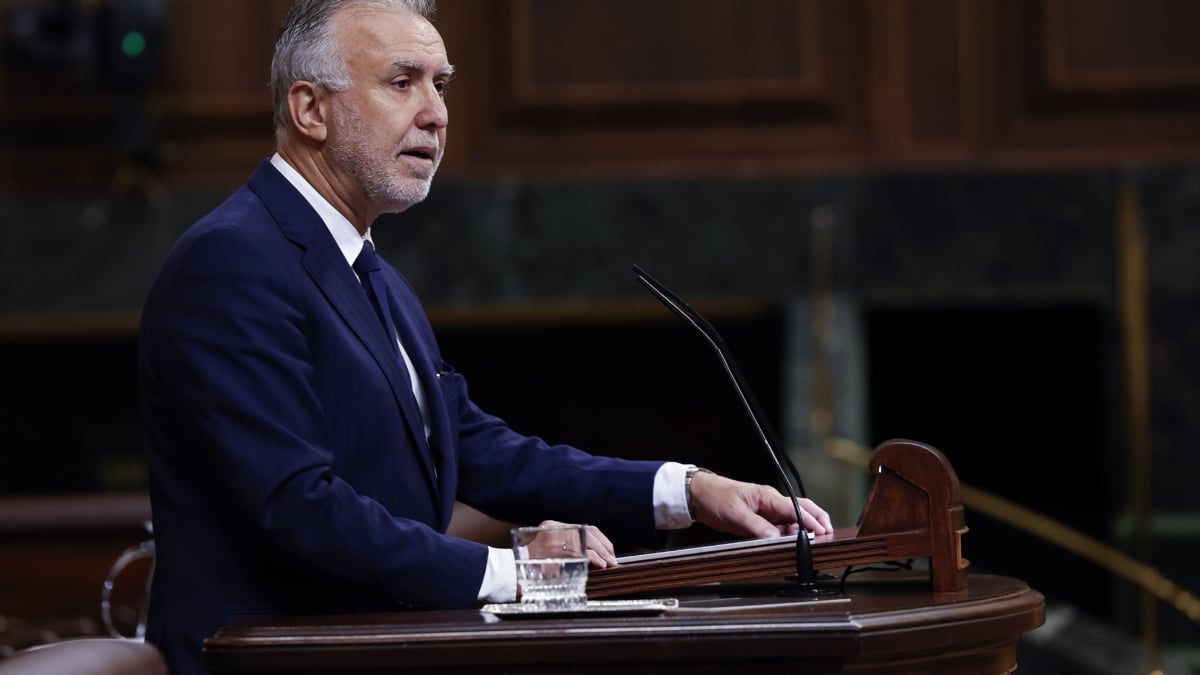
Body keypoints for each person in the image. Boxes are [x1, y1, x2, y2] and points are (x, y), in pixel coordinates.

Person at [136, 1, 834, 674]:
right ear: (309, 110)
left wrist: (685, 489)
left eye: (439, 86)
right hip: (268, 654)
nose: (436, 114)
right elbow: (295, 507)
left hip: (369, 643)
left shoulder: (369, 272)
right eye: (402, 82)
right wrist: (518, 573)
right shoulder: (232, 262)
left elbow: (475, 450)